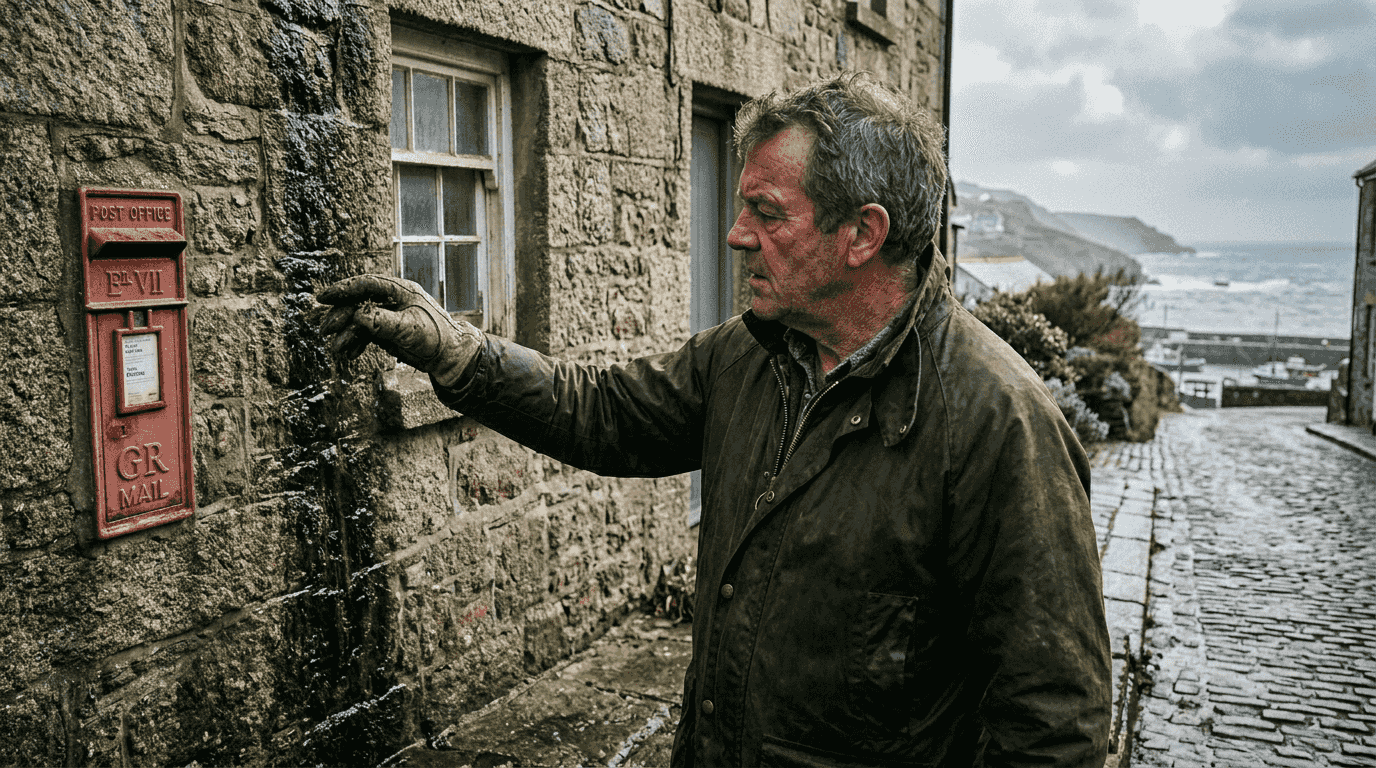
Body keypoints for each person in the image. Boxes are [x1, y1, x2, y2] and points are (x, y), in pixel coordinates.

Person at [317, 71, 1111, 767]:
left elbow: (1052, 721)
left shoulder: (999, 423)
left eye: (768, 213)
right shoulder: (751, 355)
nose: (736, 237)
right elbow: (602, 412)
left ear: (863, 234)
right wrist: (458, 351)